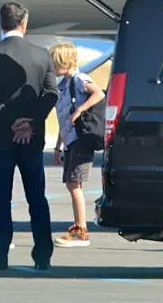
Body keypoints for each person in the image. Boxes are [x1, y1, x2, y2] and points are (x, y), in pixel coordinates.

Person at [0, 2, 58, 271]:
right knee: (37, 197)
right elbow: (51, 93)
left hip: (0, 136)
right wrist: (30, 121)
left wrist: (12, 122)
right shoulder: (42, 55)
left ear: (1, 23)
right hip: (32, 137)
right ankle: (43, 253)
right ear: (24, 22)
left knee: (2, 198)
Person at [51, 42, 105, 248]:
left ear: (64, 62)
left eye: (55, 63)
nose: (52, 67)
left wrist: (80, 109)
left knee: (74, 184)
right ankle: (78, 227)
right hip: (71, 140)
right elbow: (64, 119)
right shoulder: (63, 86)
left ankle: (81, 230)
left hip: (81, 140)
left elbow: (98, 93)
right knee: (72, 184)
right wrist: (58, 146)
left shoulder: (79, 79)